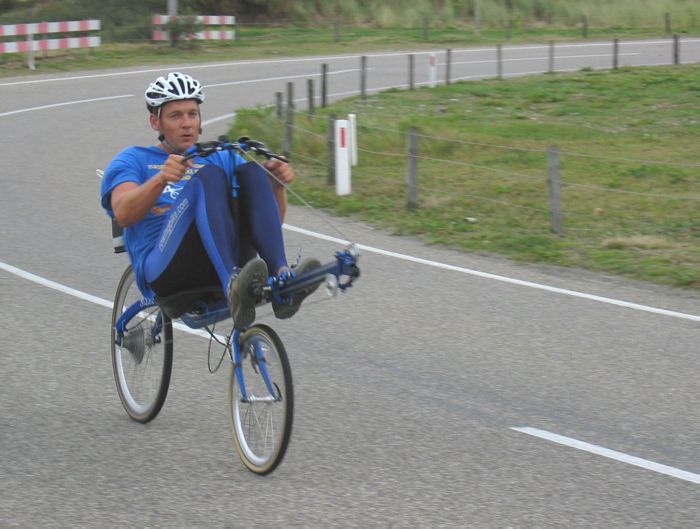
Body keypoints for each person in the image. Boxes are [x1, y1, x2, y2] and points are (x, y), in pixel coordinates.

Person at [100, 71, 319, 328]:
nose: (186, 123)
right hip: (167, 270)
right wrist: (160, 180)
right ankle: (232, 287)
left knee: (252, 171)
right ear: (155, 122)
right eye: (175, 116)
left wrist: (277, 185)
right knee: (207, 178)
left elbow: (269, 225)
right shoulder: (133, 159)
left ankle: (282, 279)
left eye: (192, 114)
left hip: (221, 259)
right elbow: (123, 213)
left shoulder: (220, 157)